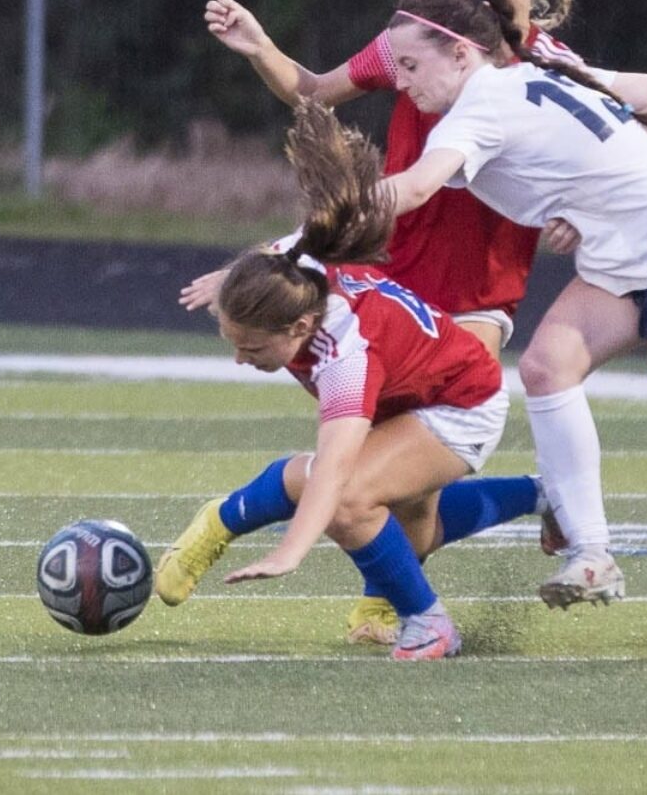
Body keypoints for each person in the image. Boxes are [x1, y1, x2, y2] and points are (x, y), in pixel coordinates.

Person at [196, 0, 647, 644]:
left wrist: (577, 204)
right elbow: (317, 93)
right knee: (392, 472)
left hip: (480, 291)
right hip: (387, 274)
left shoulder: (543, 66)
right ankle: (430, 577)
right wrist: (261, 47)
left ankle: (406, 606)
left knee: (408, 466)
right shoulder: (416, 43)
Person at [371, 0, 647, 649]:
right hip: (628, 254)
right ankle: (592, 553)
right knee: (545, 368)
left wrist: (339, 206)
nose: (401, 81)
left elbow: (420, 186)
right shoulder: (525, 74)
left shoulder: (480, 106)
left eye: (411, 65)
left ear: (459, 52)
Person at [155, 100, 546, 661]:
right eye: (232, 343)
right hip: (408, 387)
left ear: (301, 326)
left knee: (349, 501)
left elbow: (335, 469)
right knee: (411, 535)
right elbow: (276, 250)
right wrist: (231, 278)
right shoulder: (293, 269)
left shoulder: (345, 353)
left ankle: (430, 624)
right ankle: (543, 494)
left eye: (254, 348)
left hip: (460, 404)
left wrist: (291, 551)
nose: (241, 361)